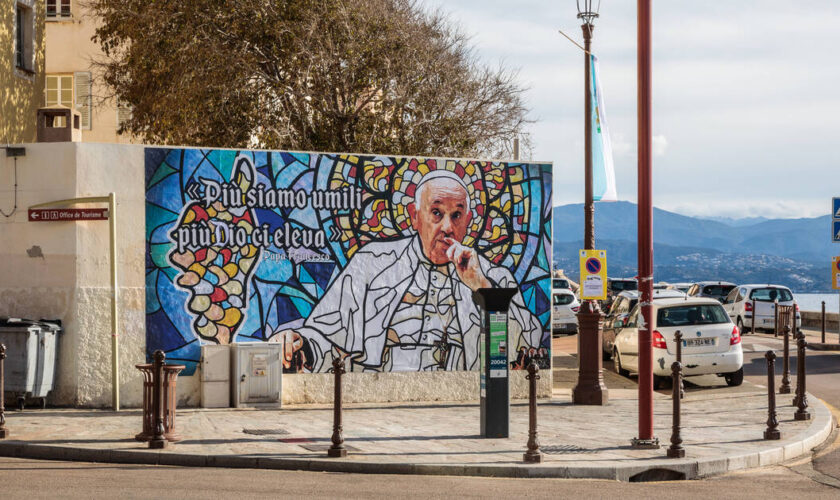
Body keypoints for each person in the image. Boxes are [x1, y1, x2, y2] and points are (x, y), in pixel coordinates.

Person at [273, 169, 543, 372]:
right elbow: (327, 336)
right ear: (415, 216)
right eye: (436, 213)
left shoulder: (493, 278)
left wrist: (479, 285)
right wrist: (299, 343)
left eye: (456, 215)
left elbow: (526, 343)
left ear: (469, 222)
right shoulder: (372, 262)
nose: (447, 227)